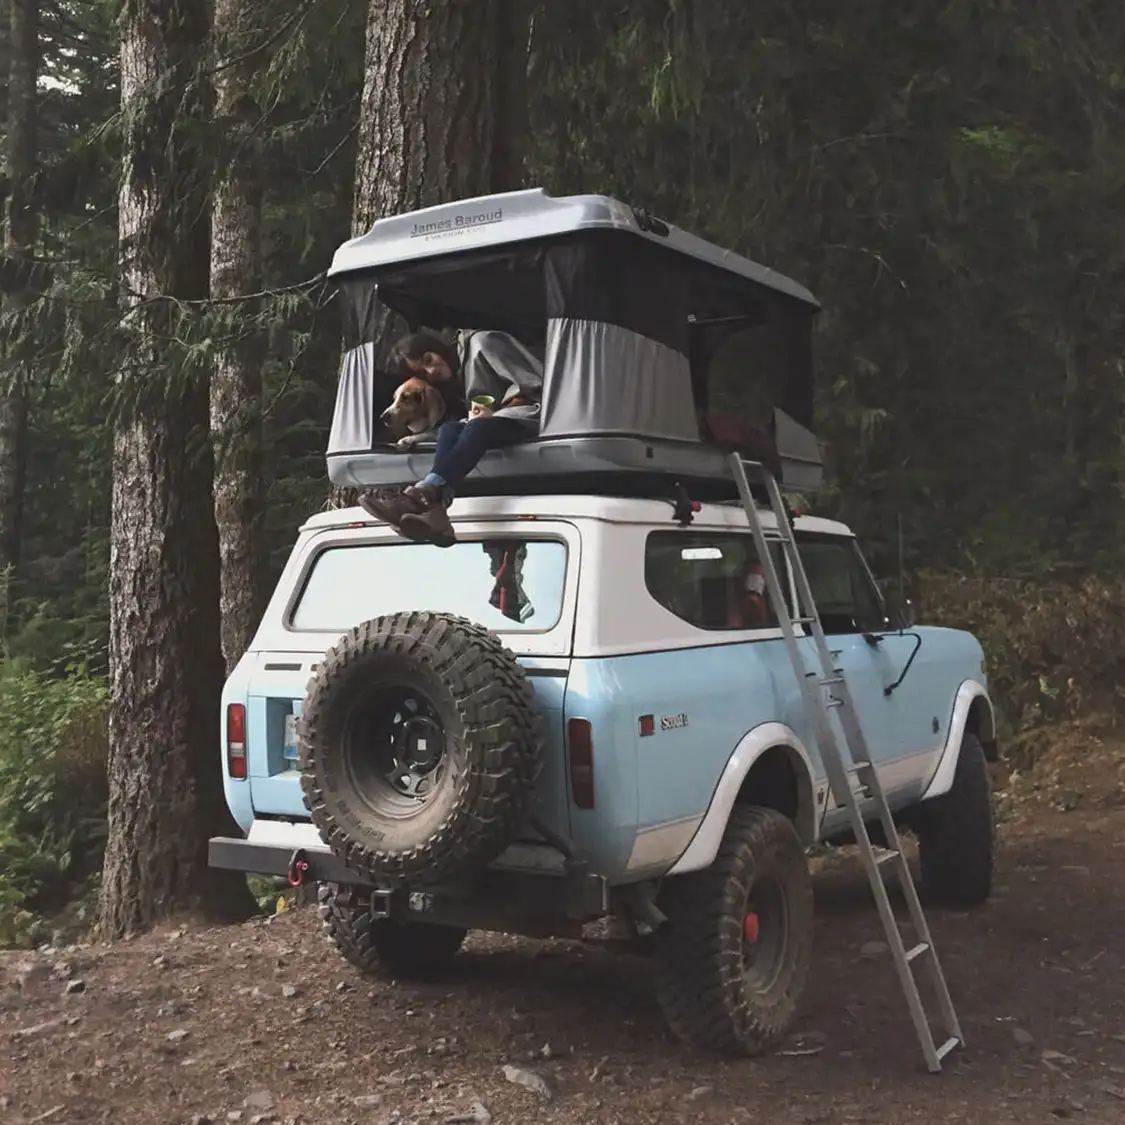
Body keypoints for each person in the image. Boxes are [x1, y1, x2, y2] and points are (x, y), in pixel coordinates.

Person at [358, 329, 543, 547]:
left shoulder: (484, 343)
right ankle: (436, 507)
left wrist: (501, 408)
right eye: (424, 373)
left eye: (429, 359)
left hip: (532, 413)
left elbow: (532, 384)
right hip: (492, 421)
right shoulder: (456, 376)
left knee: (478, 428)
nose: (431, 371)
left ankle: (423, 494)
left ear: (438, 347)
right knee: (449, 430)